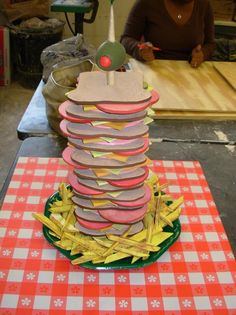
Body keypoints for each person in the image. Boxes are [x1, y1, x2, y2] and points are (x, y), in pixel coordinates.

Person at [120, 0, 215, 68]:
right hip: (153, 69)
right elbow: (125, 39)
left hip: (191, 71)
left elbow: (210, 43)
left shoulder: (204, 5)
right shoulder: (146, 3)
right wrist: (140, 50)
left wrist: (202, 54)